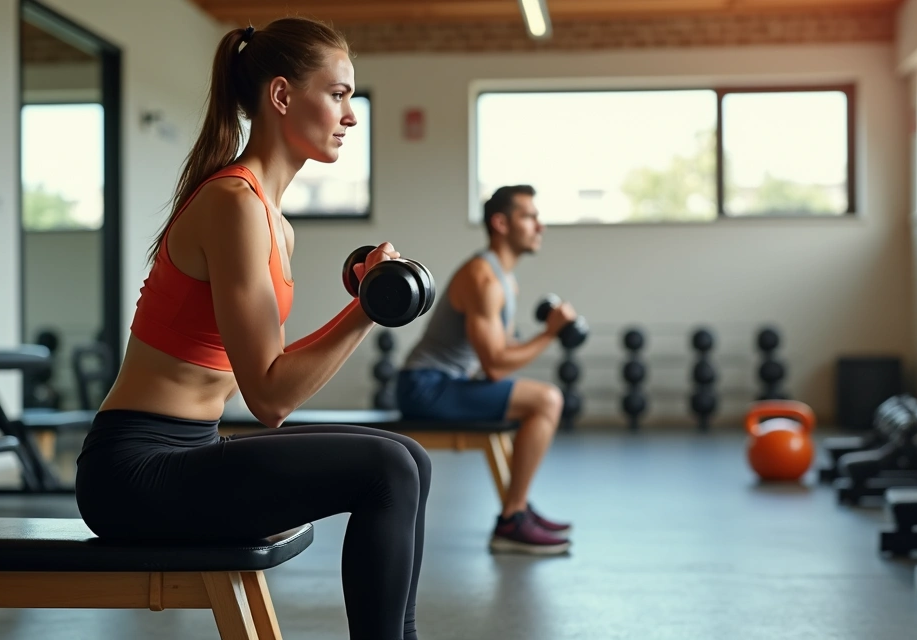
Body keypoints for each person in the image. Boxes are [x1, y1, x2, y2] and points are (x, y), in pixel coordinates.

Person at [74, 18, 430, 640]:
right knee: (387, 468)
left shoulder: (272, 221)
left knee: (411, 459)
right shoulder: (233, 204)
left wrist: (363, 303)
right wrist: (367, 309)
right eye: (338, 94)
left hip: (188, 449)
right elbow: (270, 398)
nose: (351, 116)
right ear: (282, 95)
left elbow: (269, 372)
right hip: (135, 472)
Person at [395, 185, 575, 556]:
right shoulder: (483, 278)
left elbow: (501, 352)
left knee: (540, 399)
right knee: (547, 400)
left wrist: (544, 334)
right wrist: (550, 334)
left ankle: (517, 506)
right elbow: (494, 366)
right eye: (529, 216)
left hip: (448, 382)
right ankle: (512, 520)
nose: (539, 226)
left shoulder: (506, 281)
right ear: (501, 223)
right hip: (425, 386)